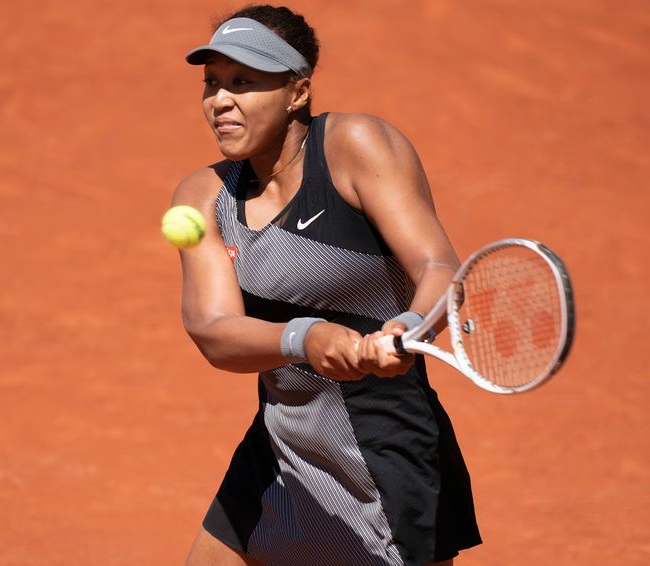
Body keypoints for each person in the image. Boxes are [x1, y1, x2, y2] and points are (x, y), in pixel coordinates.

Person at [172, 5, 481, 565]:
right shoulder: (201, 198)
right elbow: (213, 331)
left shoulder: (355, 146)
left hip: (385, 457)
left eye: (243, 82)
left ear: (298, 92)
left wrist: (409, 327)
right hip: (281, 446)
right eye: (212, 84)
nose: (220, 101)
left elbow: (439, 268)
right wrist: (306, 338)